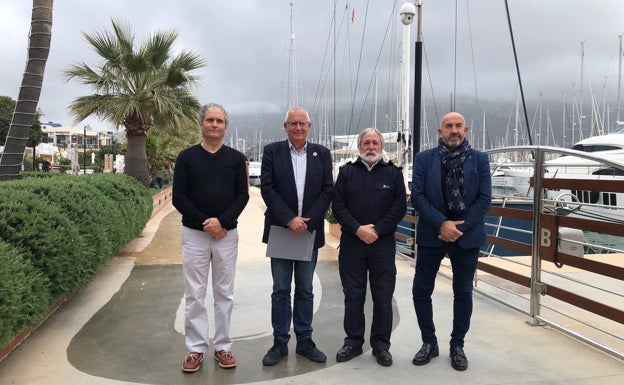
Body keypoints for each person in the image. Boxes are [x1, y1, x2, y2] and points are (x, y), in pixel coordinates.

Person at [410, 111, 492, 371]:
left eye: (458, 126)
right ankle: (429, 342)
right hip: (432, 235)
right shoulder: (424, 159)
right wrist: (442, 224)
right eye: (448, 126)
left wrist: (460, 227)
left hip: (466, 237)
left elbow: (484, 199)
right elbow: (418, 195)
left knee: (463, 292)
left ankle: (457, 345)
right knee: (421, 291)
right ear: (440, 132)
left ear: (465, 130)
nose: (453, 130)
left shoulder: (480, 160)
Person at [172, 103, 249, 373]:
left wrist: (222, 223)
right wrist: (207, 224)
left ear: (225, 126)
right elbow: (179, 197)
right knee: (194, 293)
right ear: (201, 124)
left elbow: (243, 195)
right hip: (195, 235)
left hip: (227, 235)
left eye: (219, 121)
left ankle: (223, 347)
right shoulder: (186, 158)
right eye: (210, 120)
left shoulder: (236, 159)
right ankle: (195, 349)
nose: (214, 125)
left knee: (224, 294)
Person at [260, 106, 334, 366]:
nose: (299, 128)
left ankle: (304, 341)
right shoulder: (272, 152)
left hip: (309, 233)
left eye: (303, 123)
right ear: (285, 126)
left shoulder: (322, 154)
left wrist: (307, 221)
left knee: (305, 289)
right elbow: (266, 188)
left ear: (309, 126)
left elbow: (328, 190)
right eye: (293, 123)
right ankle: (280, 342)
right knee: (280, 289)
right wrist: (289, 219)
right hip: (281, 230)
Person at [332, 128, 407, 367]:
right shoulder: (347, 173)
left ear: (382, 147)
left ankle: (381, 345)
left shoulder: (393, 173)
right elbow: (339, 206)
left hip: (382, 245)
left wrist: (377, 230)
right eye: (366, 143)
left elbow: (399, 207)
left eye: (375, 143)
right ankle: (353, 341)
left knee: (383, 296)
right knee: (353, 295)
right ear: (359, 146)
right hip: (353, 244)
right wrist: (358, 229)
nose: (371, 147)